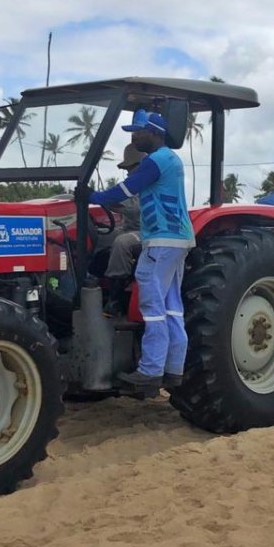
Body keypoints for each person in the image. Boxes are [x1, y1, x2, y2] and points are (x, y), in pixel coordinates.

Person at [77, 107, 193, 391]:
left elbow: (126, 190)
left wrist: (90, 196)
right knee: (171, 306)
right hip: (177, 238)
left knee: (152, 303)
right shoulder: (170, 159)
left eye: (138, 132)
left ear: (154, 132)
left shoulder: (156, 161)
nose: (135, 137)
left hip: (162, 239)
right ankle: (174, 369)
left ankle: (151, 370)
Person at [101, 143, 146, 314]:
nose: (128, 172)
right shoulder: (128, 185)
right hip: (129, 228)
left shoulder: (151, 185)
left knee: (122, 242)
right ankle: (91, 283)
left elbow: (136, 210)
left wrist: (113, 202)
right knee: (101, 238)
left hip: (150, 232)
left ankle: (115, 299)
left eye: (131, 167)